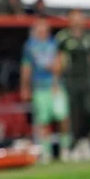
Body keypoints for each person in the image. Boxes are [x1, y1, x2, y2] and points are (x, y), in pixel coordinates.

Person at [21, 19, 71, 162]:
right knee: (43, 120)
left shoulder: (54, 44)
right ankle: (46, 151)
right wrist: (25, 87)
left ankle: (65, 148)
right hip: (40, 87)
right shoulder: (30, 46)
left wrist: (55, 79)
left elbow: (59, 64)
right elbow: (26, 67)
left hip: (55, 86)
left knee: (62, 116)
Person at [55, 11, 90, 161]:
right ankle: (75, 144)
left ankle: (85, 140)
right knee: (74, 113)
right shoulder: (64, 38)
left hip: (88, 80)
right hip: (72, 80)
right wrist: (56, 80)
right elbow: (60, 60)